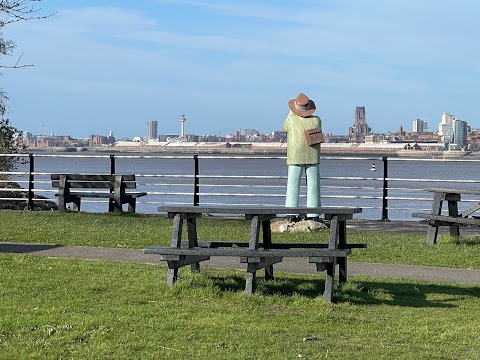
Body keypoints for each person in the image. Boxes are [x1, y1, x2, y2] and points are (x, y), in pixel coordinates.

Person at [283, 93, 322, 222]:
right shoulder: (317, 120)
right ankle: (313, 213)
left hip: (295, 156)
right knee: (313, 185)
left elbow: (284, 128)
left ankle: (291, 212)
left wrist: (291, 113)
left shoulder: (291, 119)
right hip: (313, 156)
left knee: (293, 184)